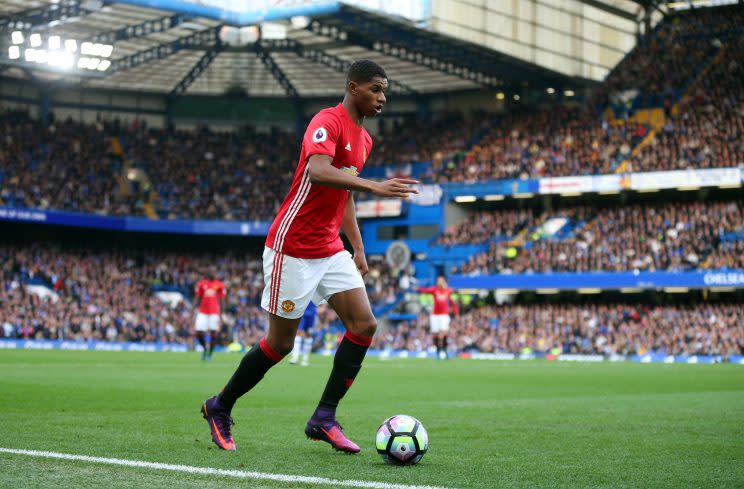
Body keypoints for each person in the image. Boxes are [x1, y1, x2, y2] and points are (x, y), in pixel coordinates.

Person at [200, 60, 418, 453]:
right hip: (293, 246)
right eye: (375, 89)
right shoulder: (327, 121)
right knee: (280, 345)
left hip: (330, 247)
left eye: (384, 91)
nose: (382, 98)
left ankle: (324, 417)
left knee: (364, 325)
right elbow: (318, 171)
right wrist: (376, 187)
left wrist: (359, 247)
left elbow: (343, 194)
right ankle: (220, 405)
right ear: (353, 87)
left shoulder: (365, 140)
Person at [418, 276, 458, 360]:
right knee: (435, 334)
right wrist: (418, 289)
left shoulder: (448, 291)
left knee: (444, 333)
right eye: (438, 280)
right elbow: (426, 290)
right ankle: (438, 351)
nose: (438, 282)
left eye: (440, 280)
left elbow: (452, 302)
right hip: (435, 315)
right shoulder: (434, 290)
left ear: (443, 282)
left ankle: (445, 351)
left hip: (444, 315)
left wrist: (456, 313)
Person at [193, 269, 227, 361]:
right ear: (208, 274)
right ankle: (204, 348)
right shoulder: (202, 284)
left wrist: (223, 313)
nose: (214, 274)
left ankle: (210, 354)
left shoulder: (220, 285)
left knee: (213, 333)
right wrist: (193, 309)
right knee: (198, 332)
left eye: (215, 273)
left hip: (214, 312)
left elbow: (222, 300)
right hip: (202, 312)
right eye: (213, 273)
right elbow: (197, 297)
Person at [289, 301, 317, 367]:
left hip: (312, 313)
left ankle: (305, 359)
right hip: (302, 312)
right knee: (298, 332)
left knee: (308, 335)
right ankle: (295, 357)